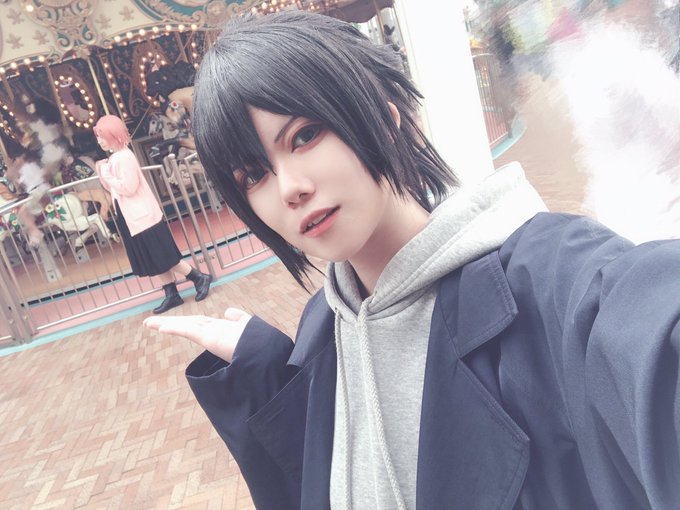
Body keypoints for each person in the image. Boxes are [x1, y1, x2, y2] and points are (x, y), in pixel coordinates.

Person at [143, 11, 680, 509]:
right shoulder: (322, 330)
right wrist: (266, 374)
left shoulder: (552, 283)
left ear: (384, 115)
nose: (289, 188)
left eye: (304, 135)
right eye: (254, 175)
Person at [93, 115, 212, 313]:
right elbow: (113, 188)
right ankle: (171, 294)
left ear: (112, 135)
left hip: (142, 216)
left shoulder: (124, 157)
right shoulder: (116, 158)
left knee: (164, 255)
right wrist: (104, 172)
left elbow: (128, 188)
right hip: (132, 216)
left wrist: (106, 174)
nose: (99, 141)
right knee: (156, 257)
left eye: (102, 136)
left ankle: (199, 278)